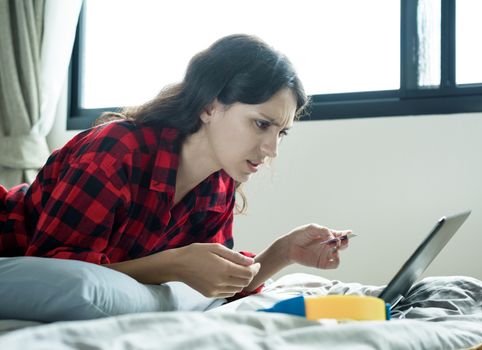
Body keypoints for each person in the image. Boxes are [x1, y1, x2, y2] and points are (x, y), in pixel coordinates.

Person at [0, 34, 351, 299]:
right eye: (261, 124)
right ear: (210, 107)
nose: (272, 149)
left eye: (282, 133)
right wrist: (173, 265)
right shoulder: (117, 149)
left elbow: (216, 285)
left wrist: (284, 252)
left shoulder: (218, 183)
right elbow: (55, 272)